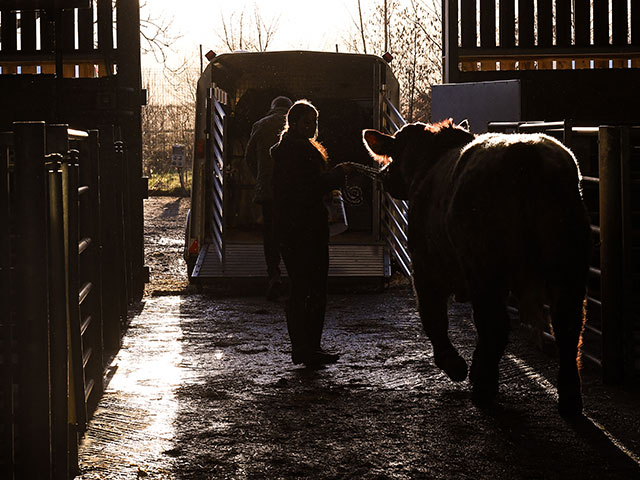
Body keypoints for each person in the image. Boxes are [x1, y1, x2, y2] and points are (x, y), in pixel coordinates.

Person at [271, 100, 353, 367]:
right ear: (293, 123)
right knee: (313, 288)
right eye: (307, 122)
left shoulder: (286, 150)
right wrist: (338, 175)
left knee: (300, 288)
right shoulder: (301, 151)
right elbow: (310, 187)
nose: (312, 127)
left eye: (314, 122)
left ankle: (304, 347)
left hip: (291, 228)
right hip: (307, 229)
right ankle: (309, 348)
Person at [245, 95, 293, 300]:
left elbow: (249, 157)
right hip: (292, 192)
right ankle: (294, 275)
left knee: (270, 233)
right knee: (291, 232)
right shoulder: (296, 125)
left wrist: (260, 178)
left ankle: (273, 275)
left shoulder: (259, 125)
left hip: (267, 191)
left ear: (272, 107)